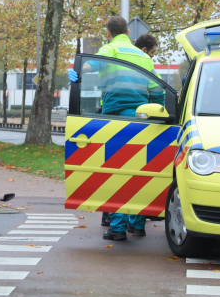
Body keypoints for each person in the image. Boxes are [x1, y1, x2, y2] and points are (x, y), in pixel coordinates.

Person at [68, 16, 161, 241]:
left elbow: (88, 66)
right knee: (137, 173)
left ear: (109, 33)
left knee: (117, 175)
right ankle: (137, 224)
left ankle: (118, 228)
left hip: (113, 120)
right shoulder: (143, 56)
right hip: (140, 119)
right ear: (128, 33)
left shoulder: (109, 50)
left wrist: (76, 72)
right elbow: (156, 90)